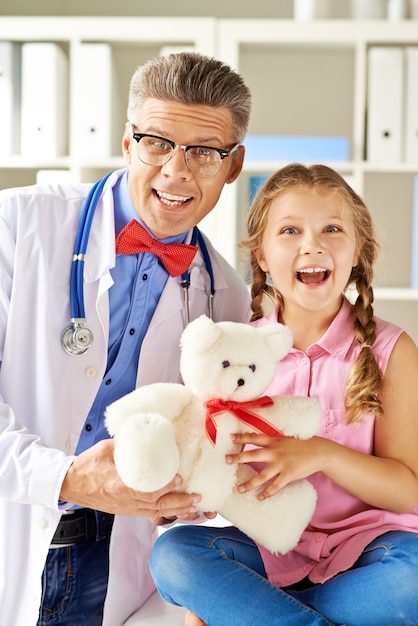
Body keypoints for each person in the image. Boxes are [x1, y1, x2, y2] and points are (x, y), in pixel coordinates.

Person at [0, 52, 252, 626]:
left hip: (119, 567)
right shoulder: (17, 227)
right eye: (157, 142)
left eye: (204, 152)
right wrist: (64, 478)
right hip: (12, 529)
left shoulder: (227, 298)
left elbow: (211, 448)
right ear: (127, 143)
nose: (176, 171)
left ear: (233, 166)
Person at [150, 163, 418, 626]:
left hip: (373, 550)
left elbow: (404, 491)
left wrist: (320, 454)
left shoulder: (392, 350)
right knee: (174, 555)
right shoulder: (236, 355)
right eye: (290, 230)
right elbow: (217, 467)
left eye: (332, 229)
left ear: (358, 251)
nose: (312, 244)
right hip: (270, 550)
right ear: (261, 256)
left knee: (411, 583)